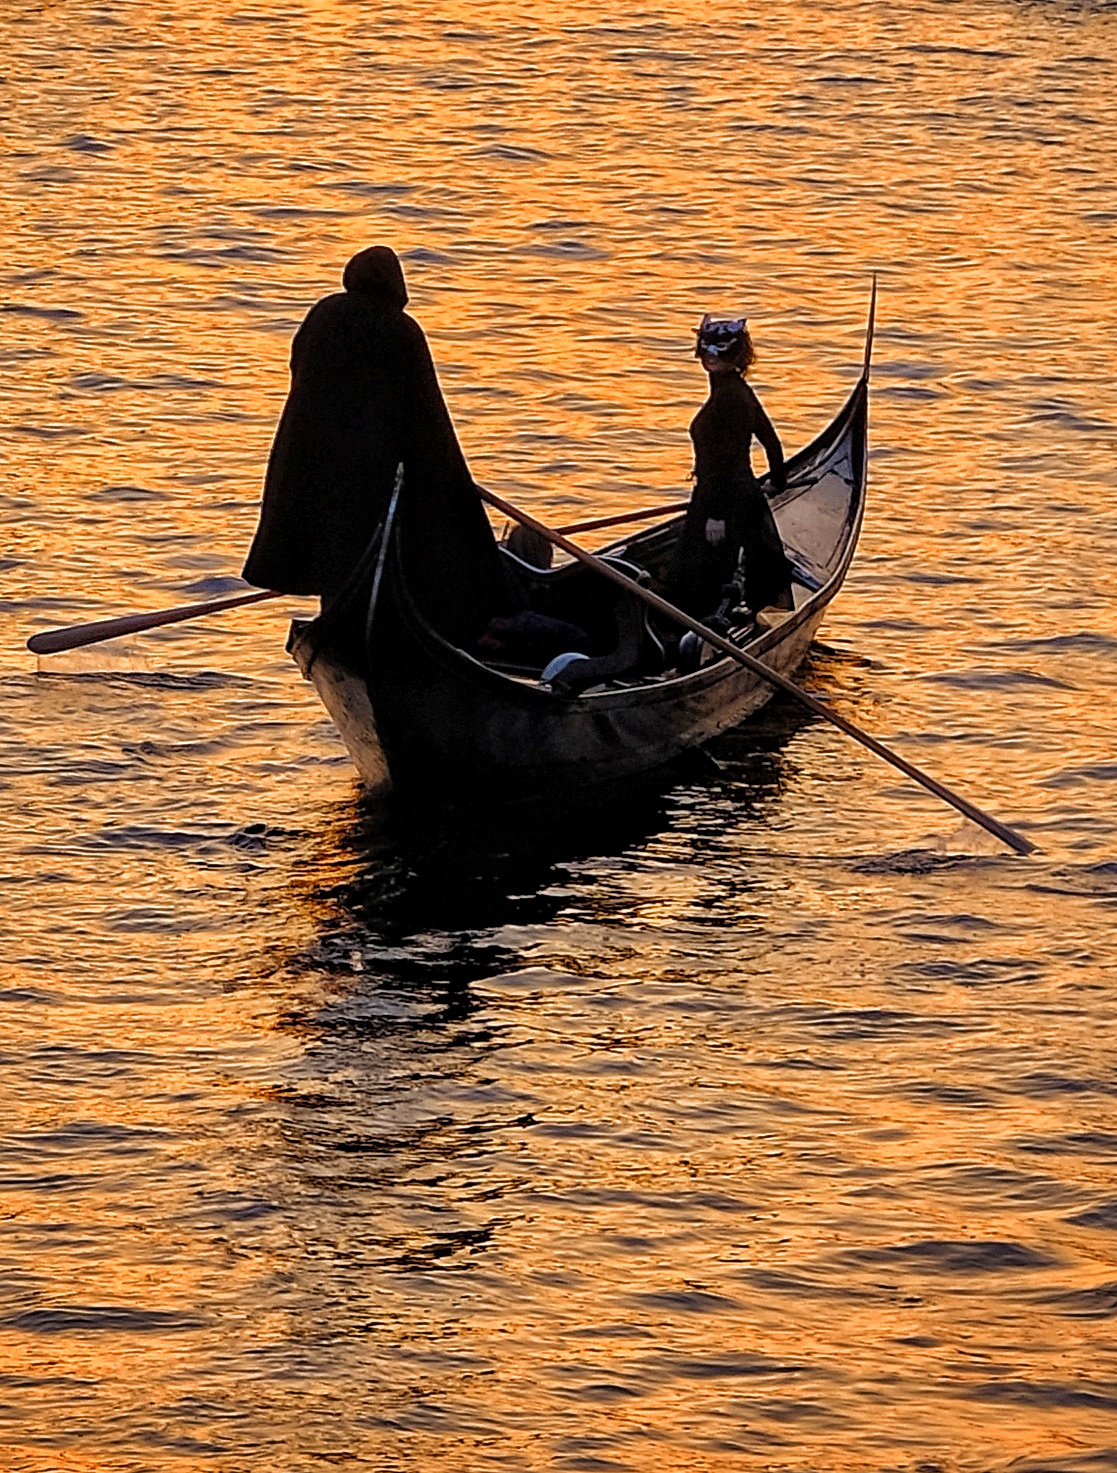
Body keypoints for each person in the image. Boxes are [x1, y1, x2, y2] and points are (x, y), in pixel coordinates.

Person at [242, 245, 509, 645]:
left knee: (333, 551)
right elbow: (424, 409)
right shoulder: (399, 329)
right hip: (374, 467)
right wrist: (446, 478)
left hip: (312, 460)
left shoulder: (323, 316)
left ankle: (340, 625)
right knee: (378, 543)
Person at [668, 314, 794, 621]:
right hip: (740, 496)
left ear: (736, 355)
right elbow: (772, 443)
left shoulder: (729, 400)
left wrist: (716, 515)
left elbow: (723, 463)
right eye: (707, 350)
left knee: (703, 578)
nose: (711, 357)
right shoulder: (739, 391)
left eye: (720, 352)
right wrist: (777, 482)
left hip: (721, 501)